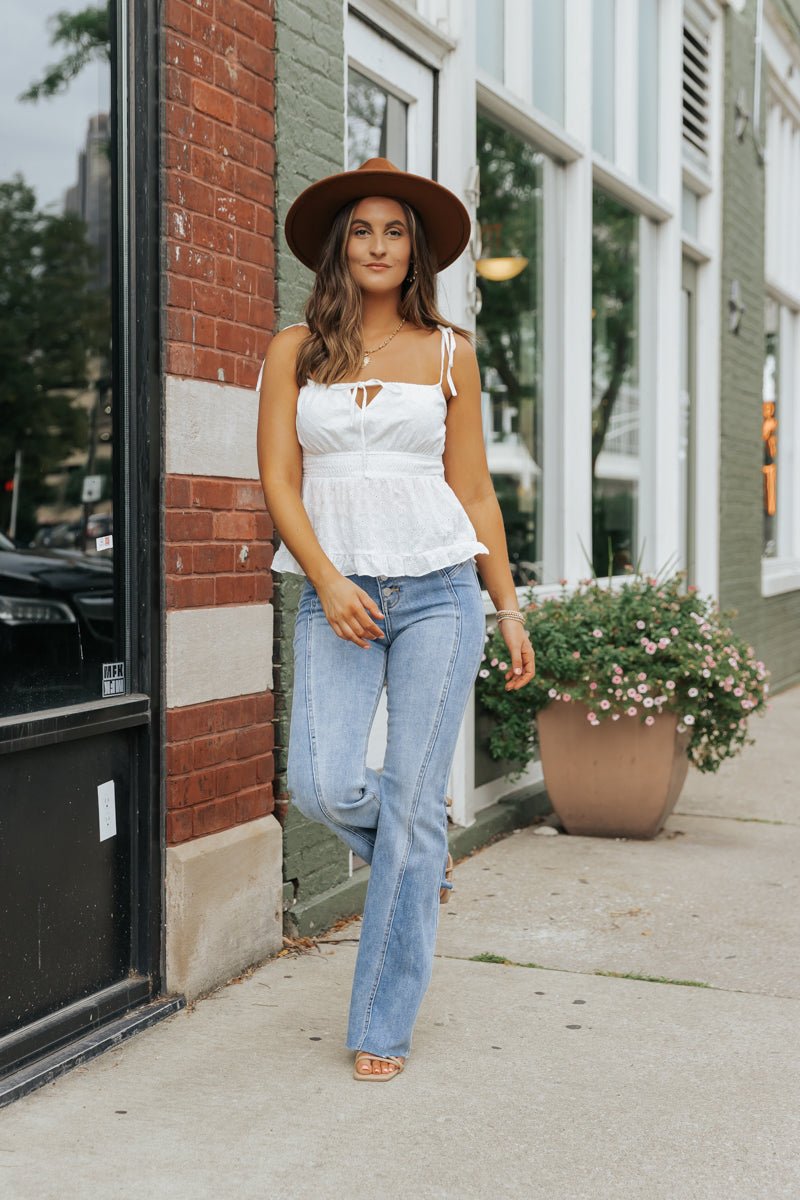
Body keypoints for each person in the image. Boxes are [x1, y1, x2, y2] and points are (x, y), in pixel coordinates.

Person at [256, 157, 536, 1082]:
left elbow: (474, 490)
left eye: (396, 231)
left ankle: (381, 1024)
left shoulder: (452, 350)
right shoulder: (293, 349)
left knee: (413, 803)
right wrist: (328, 581)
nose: (378, 245)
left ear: (416, 250)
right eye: (363, 230)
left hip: (440, 591)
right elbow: (280, 482)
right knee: (323, 783)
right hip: (340, 592)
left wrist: (507, 604)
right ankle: (419, 850)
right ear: (340, 246)